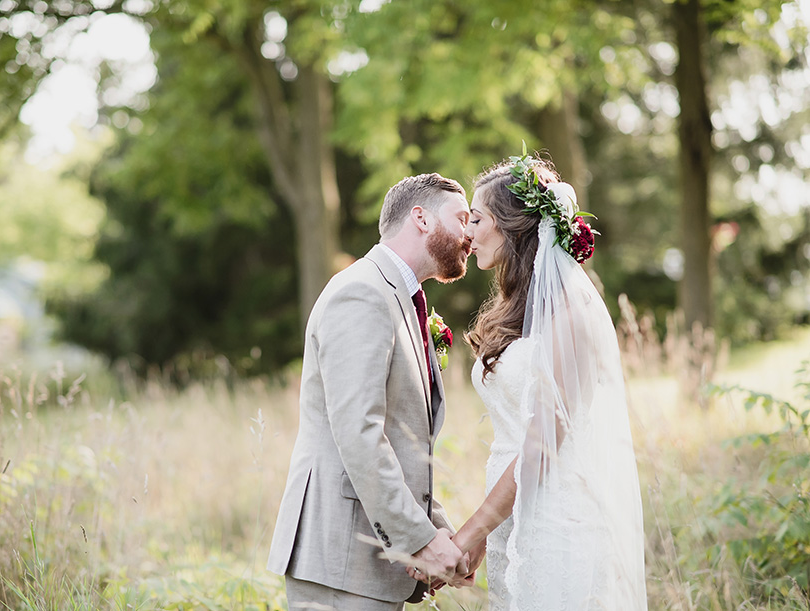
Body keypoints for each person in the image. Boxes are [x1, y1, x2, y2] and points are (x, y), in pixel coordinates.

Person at [414, 153, 647, 609]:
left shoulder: (571, 316)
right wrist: (487, 532)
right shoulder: (515, 310)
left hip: (562, 520)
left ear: (512, 225)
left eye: (476, 219)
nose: (467, 234)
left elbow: (541, 446)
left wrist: (466, 536)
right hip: (514, 516)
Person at [268, 173, 476, 609]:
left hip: (363, 561)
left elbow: (401, 444)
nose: (470, 233)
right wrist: (419, 540)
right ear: (420, 218)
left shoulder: (400, 298)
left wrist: (440, 533)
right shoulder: (362, 292)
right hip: (340, 558)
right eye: (461, 218)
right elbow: (359, 433)